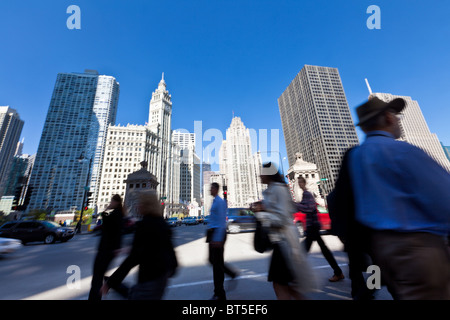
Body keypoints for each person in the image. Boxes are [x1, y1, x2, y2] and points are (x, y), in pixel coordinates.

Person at [331, 96, 450, 300]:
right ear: (387, 117)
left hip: (380, 251)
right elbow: (444, 198)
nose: (398, 120)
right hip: (419, 249)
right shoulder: (403, 151)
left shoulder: (354, 157)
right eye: (396, 116)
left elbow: (341, 204)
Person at [254, 162, 316, 300]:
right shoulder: (272, 190)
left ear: (269, 174)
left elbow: (282, 218)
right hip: (279, 242)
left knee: (280, 285)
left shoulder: (279, 189)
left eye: (263, 172)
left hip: (284, 242)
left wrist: (261, 213)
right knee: (285, 286)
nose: (260, 175)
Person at [101, 190, 178, 300]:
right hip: (161, 279)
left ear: (146, 205)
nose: (137, 205)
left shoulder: (144, 226)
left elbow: (133, 259)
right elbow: (169, 250)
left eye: (140, 203)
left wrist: (110, 282)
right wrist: (172, 268)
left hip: (148, 280)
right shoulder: (162, 224)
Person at [296, 176, 344, 282]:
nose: (300, 184)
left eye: (301, 182)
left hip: (312, 226)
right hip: (312, 226)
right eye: (298, 182)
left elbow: (309, 208)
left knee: (303, 250)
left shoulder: (307, 194)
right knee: (323, 250)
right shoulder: (306, 194)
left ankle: (295, 275)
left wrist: (296, 205)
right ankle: (338, 272)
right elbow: (305, 207)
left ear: (304, 183)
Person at [88, 194, 127, 300]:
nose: (110, 203)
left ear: (117, 202)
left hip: (105, 250)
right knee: (99, 276)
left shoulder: (116, 214)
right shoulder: (119, 214)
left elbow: (106, 221)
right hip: (108, 250)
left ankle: (121, 289)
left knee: (97, 277)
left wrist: (106, 209)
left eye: (112, 201)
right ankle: (119, 288)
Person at [207, 182, 239, 301]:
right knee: (212, 260)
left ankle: (219, 293)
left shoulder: (220, 202)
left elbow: (221, 221)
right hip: (213, 234)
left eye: (211, 188)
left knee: (217, 265)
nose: (209, 190)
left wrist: (218, 238)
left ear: (216, 189)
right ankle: (231, 273)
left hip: (217, 234)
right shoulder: (215, 200)